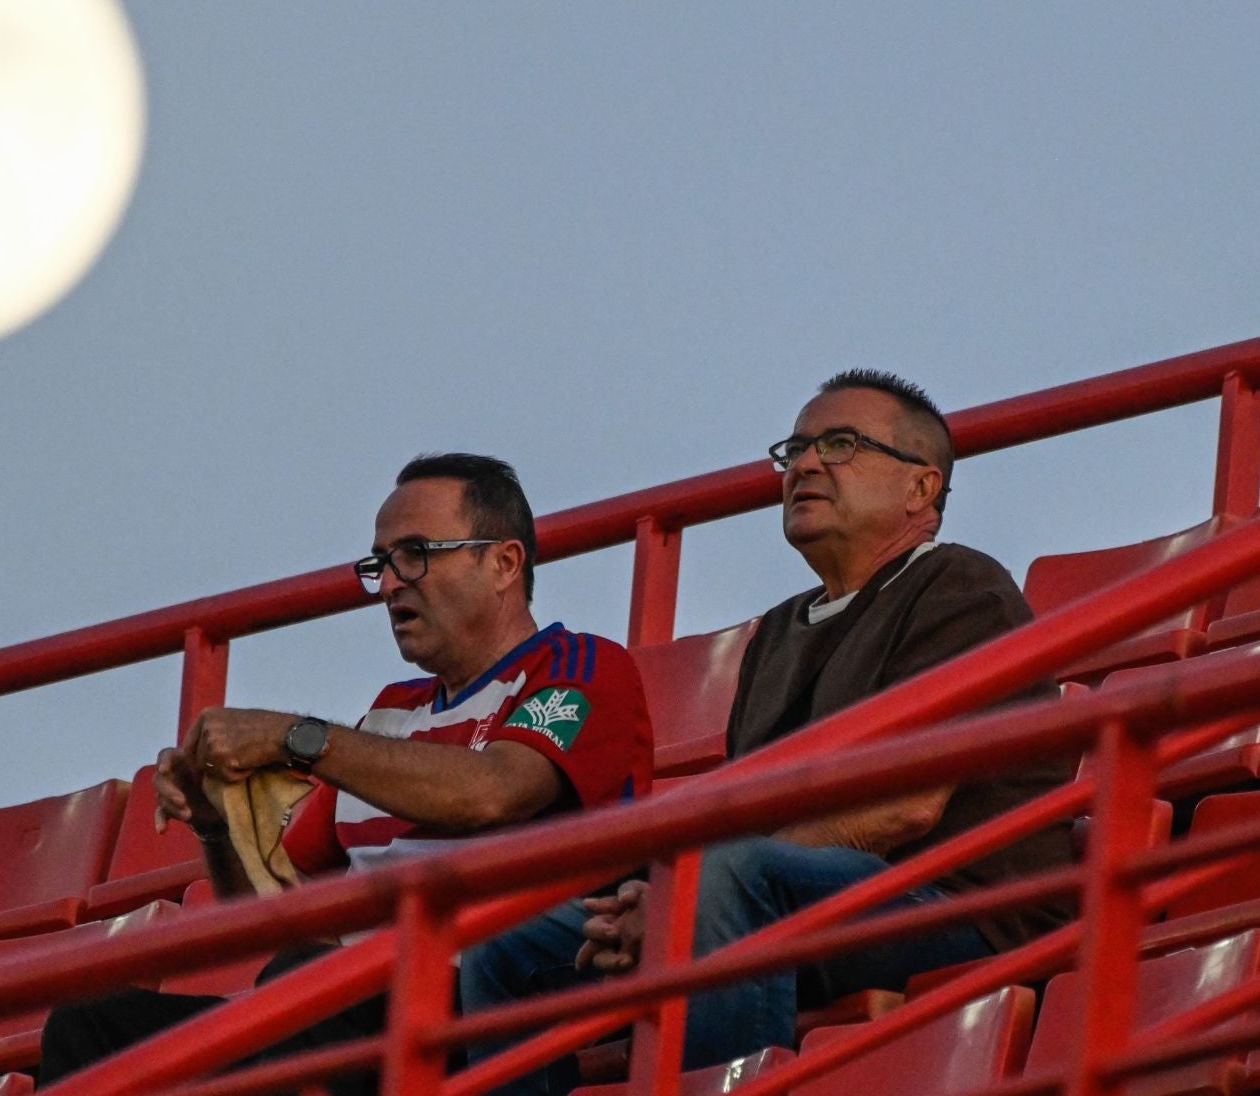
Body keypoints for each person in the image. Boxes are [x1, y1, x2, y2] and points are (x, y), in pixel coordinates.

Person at [460, 371, 1073, 1088]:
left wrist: (684, 897)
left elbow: (906, 806)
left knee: (727, 876)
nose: (806, 464)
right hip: (793, 900)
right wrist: (657, 897)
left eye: (840, 444)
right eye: (796, 449)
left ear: (921, 487)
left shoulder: (961, 587)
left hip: (959, 906)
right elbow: (743, 815)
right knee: (508, 946)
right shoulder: (779, 629)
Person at [39, 453, 653, 1094]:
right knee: (91, 1029)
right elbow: (278, 918)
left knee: (305, 994)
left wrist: (296, 738)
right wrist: (218, 826)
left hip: (473, 1013)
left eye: (415, 555)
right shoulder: (389, 714)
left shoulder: (581, 666)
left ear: (503, 563)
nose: (388, 585)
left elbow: (494, 791)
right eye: (380, 563)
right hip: (347, 1014)